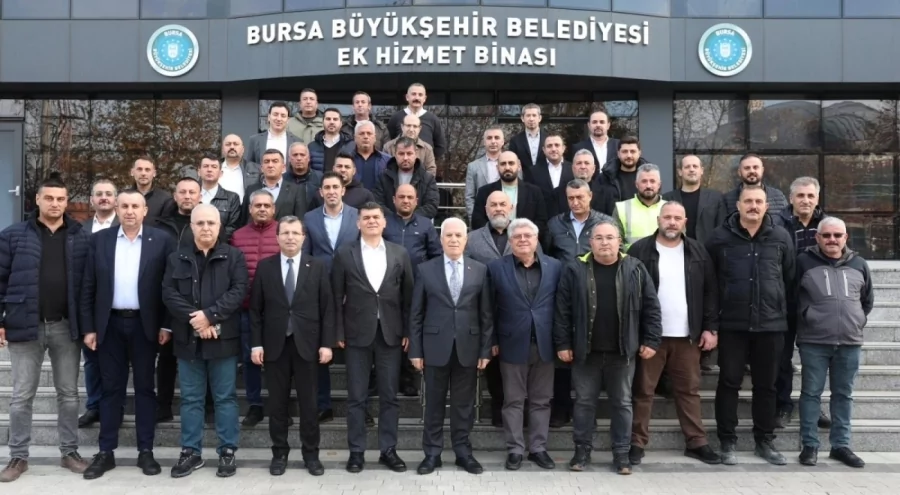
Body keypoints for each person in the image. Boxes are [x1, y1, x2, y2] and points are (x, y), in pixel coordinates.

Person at [0, 173, 91, 483]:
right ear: (37, 199)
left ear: (67, 202)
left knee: (69, 394)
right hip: (25, 325)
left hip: (66, 327)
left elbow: (89, 284)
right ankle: (18, 457)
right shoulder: (13, 235)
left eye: (60, 199)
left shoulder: (80, 236)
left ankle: (69, 452)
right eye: (49, 198)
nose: (55, 203)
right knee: (21, 395)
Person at [80, 190, 175, 479]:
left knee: (145, 389)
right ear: (117, 209)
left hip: (146, 326)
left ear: (145, 210)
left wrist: (166, 325)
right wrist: (89, 328)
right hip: (109, 325)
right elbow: (88, 286)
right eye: (124, 206)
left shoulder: (162, 240)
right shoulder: (100, 240)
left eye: (135, 206)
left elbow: (170, 287)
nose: (130, 211)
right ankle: (106, 452)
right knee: (111, 390)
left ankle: (145, 451)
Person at [554, 218, 662, 475]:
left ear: (619, 242)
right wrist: (563, 343)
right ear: (590, 243)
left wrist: (651, 340)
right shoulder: (575, 268)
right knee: (584, 403)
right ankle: (581, 451)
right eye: (599, 238)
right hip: (585, 352)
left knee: (622, 403)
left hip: (622, 352)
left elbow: (651, 307)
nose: (604, 242)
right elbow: (562, 310)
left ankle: (622, 454)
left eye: (610, 237)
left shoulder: (635, 268)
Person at [705, 185, 795, 466]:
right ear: (738, 205)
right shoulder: (719, 238)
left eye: (758, 201)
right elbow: (709, 284)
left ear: (767, 206)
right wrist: (711, 323)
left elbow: (789, 280)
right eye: (748, 201)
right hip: (732, 325)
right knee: (728, 383)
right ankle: (727, 441)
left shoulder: (781, 237)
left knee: (766, 385)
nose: (753, 206)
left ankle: (764, 441)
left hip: (771, 325)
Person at [626, 202, 721, 465]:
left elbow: (711, 292)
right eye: (667, 217)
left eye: (677, 218)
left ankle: (696, 442)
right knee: (643, 391)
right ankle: (636, 442)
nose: (672, 222)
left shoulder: (698, 251)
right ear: (658, 219)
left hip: (687, 336)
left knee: (688, 390)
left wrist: (711, 328)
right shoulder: (640, 250)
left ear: (685, 222)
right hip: (650, 337)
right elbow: (629, 294)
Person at [161, 204, 249, 478]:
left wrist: (210, 316)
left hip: (223, 340)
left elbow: (239, 291)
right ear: (192, 226)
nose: (206, 228)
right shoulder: (177, 258)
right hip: (189, 340)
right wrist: (197, 319)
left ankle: (227, 451)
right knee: (190, 399)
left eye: (211, 223)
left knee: (225, 398)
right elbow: (168, 293)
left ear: (219, 226)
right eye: (200, 223)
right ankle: (191, 452)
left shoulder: (234, 256)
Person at [332, 202, 414, 473]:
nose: (371, 221)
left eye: (376, 217)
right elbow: (336, 296)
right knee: (356, 397)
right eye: (366, 218)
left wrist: (408, 331)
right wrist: (338, 331)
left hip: (391, 334)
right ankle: (356, 452)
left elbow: (408, 297)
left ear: (384, 222)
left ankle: (388, 450)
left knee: (390, 396)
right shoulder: (344, 253)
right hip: (356, 334)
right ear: (358, 223)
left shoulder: (399, 253)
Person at [250, 216, 335, 477]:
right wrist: (256, 344)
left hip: (308, 346)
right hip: (274, 346)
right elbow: (255, 311)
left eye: (295, 233)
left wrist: (326, 344)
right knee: (277, 405)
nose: (290, 237)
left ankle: (311, 455)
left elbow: (327, 308)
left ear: (303, 237)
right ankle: (279, 454)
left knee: (309, 405)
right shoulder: (265, 267)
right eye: (285, 233)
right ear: (277, 237)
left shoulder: (317, 266)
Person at [408, 218, 493, 475]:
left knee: (463, 405)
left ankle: (463, 452)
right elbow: (416, 314)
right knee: (433, 404)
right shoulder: (426, 269)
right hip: (434, 348)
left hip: (468, 347)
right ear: (441, 239)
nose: (454, 239)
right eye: (449, 235)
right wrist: (415, 350)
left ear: (466, 239)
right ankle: (432, 454)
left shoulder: (480, 270)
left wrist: (485, 350)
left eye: (458, 235)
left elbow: (486, 314)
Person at [795, 216, 873, 468]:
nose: (832, 240)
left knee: (844, 395)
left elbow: (867, 300)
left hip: (849, 341)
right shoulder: (803, 262)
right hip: (814, 341)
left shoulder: (860, 264)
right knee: (810, 394)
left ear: (845, 237)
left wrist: (856, 320)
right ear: (817, 237)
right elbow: (792, 296)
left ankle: (841, 446)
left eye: (837, 235)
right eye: (826, 235)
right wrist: (808, 317)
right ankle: (809, 446)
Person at [487, 219, 561, 471]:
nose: (522, 240)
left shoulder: (555, 267)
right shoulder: (496, 268)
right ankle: (515, 449)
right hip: (510, 343)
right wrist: (492, 340)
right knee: (513, 401)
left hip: (545, 343)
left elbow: (562, 307)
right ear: (510, 241)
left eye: (527, 235)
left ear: (536, 239)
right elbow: (488, 309)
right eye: (517, 236)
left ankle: (538, 448)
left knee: (542, 400)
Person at [545, 178, 609, 428]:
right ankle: (561, 408)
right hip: (561, 294)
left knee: (589, 355)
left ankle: (588, 411)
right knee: (561, 353)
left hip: (595, 294)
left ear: (590, 196)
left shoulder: (604, 223)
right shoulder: (555, 224)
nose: (575, 202)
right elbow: (547, 256)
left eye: (580, 197)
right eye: (571, 198)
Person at [303, 172, 362, 423]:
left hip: (353, 291)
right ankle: (323, 404)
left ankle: (359, 407)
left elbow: (363, 251)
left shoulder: (357, 216)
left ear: (343, 190)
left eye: (335, 187)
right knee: (321, 348)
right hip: (320, 290)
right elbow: (306, 255)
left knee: (357, 353)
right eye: (326, 187)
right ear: (321, 192)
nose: (331, 191)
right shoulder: (309, 218)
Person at [775, 176, 830, 429]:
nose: (805, 200)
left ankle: (813, 406)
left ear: (817, 198)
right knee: (782, 358)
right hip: (784, 300)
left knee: (814, 360)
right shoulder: (776, 224)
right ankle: (782, 405)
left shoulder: (828, 225)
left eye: (810, 196)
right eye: (800, 195)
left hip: (817, 303)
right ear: (791, 198)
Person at [229, 190, 281, 427]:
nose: (262, 209)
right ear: (249, 209)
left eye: (266, 205)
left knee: (279, 361)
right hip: (247, 309)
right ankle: (255, 405)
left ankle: (279, 405)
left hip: (278, 310)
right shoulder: (238, 236)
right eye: (257, 205)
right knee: (250, 360)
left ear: (274, 209)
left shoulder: (283, 232)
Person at [78, 179, 119, 429]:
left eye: (108, 194)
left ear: (116, 200)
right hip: (91, 305)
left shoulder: (126, 226)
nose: (104, 197)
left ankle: (114, 407)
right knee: (92, 360)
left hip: (119, 306)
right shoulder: (79, 230)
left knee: (117, 363)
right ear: (92, 200)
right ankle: (94, 405)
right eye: (99, 194)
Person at [471, 151, 549, 249]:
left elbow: (541, 221)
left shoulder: (534, 192)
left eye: (511, 163)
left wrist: (525, 235)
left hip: (525, 244)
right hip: (493, 245)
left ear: (519, 166)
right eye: (503, 164)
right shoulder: (484, 192)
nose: (507, 167)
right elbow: (477, 221)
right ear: (497, 167)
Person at [373, 136, 440, 219]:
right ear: (395, 154)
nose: (405, 158)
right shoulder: (383, 177)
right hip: (390, 224)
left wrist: (410, 219)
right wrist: (395, 219)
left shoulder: (428, 179)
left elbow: (431, 206)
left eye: (409, 153)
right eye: (401, 154)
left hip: (418, 225)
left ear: (415, 154)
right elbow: (378, 203)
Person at [242, 149, 310, 224]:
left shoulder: (296, 190)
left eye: (275, 161)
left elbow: (300, 220)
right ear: (261, 168)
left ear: (283, 167)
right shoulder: (251, 190)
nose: (270, 165)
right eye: (266, 161)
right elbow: (244, 220)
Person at [612, 163, 666, 250]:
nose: (648, 186)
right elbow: (615, 242)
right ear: (636, 184)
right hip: (631, 258)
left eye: (652, 181)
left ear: (659, 184)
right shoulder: (621, 208)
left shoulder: (671, 209)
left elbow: (678, 240)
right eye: (644, 181)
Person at [388, 83, 447, 159]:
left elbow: (441, 146)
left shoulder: (433, 119)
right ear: (407, 97)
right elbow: (389, 144)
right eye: (413, 94)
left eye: (420, 95)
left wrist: (428, 160)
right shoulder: (396, 118)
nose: (417, 97)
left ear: (424, 98)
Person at [721, 153, 788, 218]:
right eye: (747, 168)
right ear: (739, 172)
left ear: (762, 170)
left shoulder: (778, 197)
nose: (752, 171)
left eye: (755, 167)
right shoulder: (727, 199)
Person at [199, 153, 242, 242]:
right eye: (206, 166)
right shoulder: (191, 196)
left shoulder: (232, 198)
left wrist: (213, 242)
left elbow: (232, 228)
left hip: (220, 246)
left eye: (214, 167)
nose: (209, 170)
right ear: (199, 171)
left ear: (220, 173)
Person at [131, 156, 173, 226]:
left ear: (154, 173)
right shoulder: (123, 197)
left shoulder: (165, 199)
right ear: (132, 172)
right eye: (139, 169)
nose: (143, 173)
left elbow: (166, 226)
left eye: (147, 170)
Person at [219, 134, 260, 202]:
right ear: (222, 150)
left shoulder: (255, 169)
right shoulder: (214, 169)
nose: (232, 147)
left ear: (243, 149)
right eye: (228, 144)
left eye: (236, 144)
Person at [507, 103, 546, 170]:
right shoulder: (515, 141)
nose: (531, 119)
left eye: (534, 115)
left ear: (540, 118)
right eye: (528, 115)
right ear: (522, 118)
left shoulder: (548, 139)